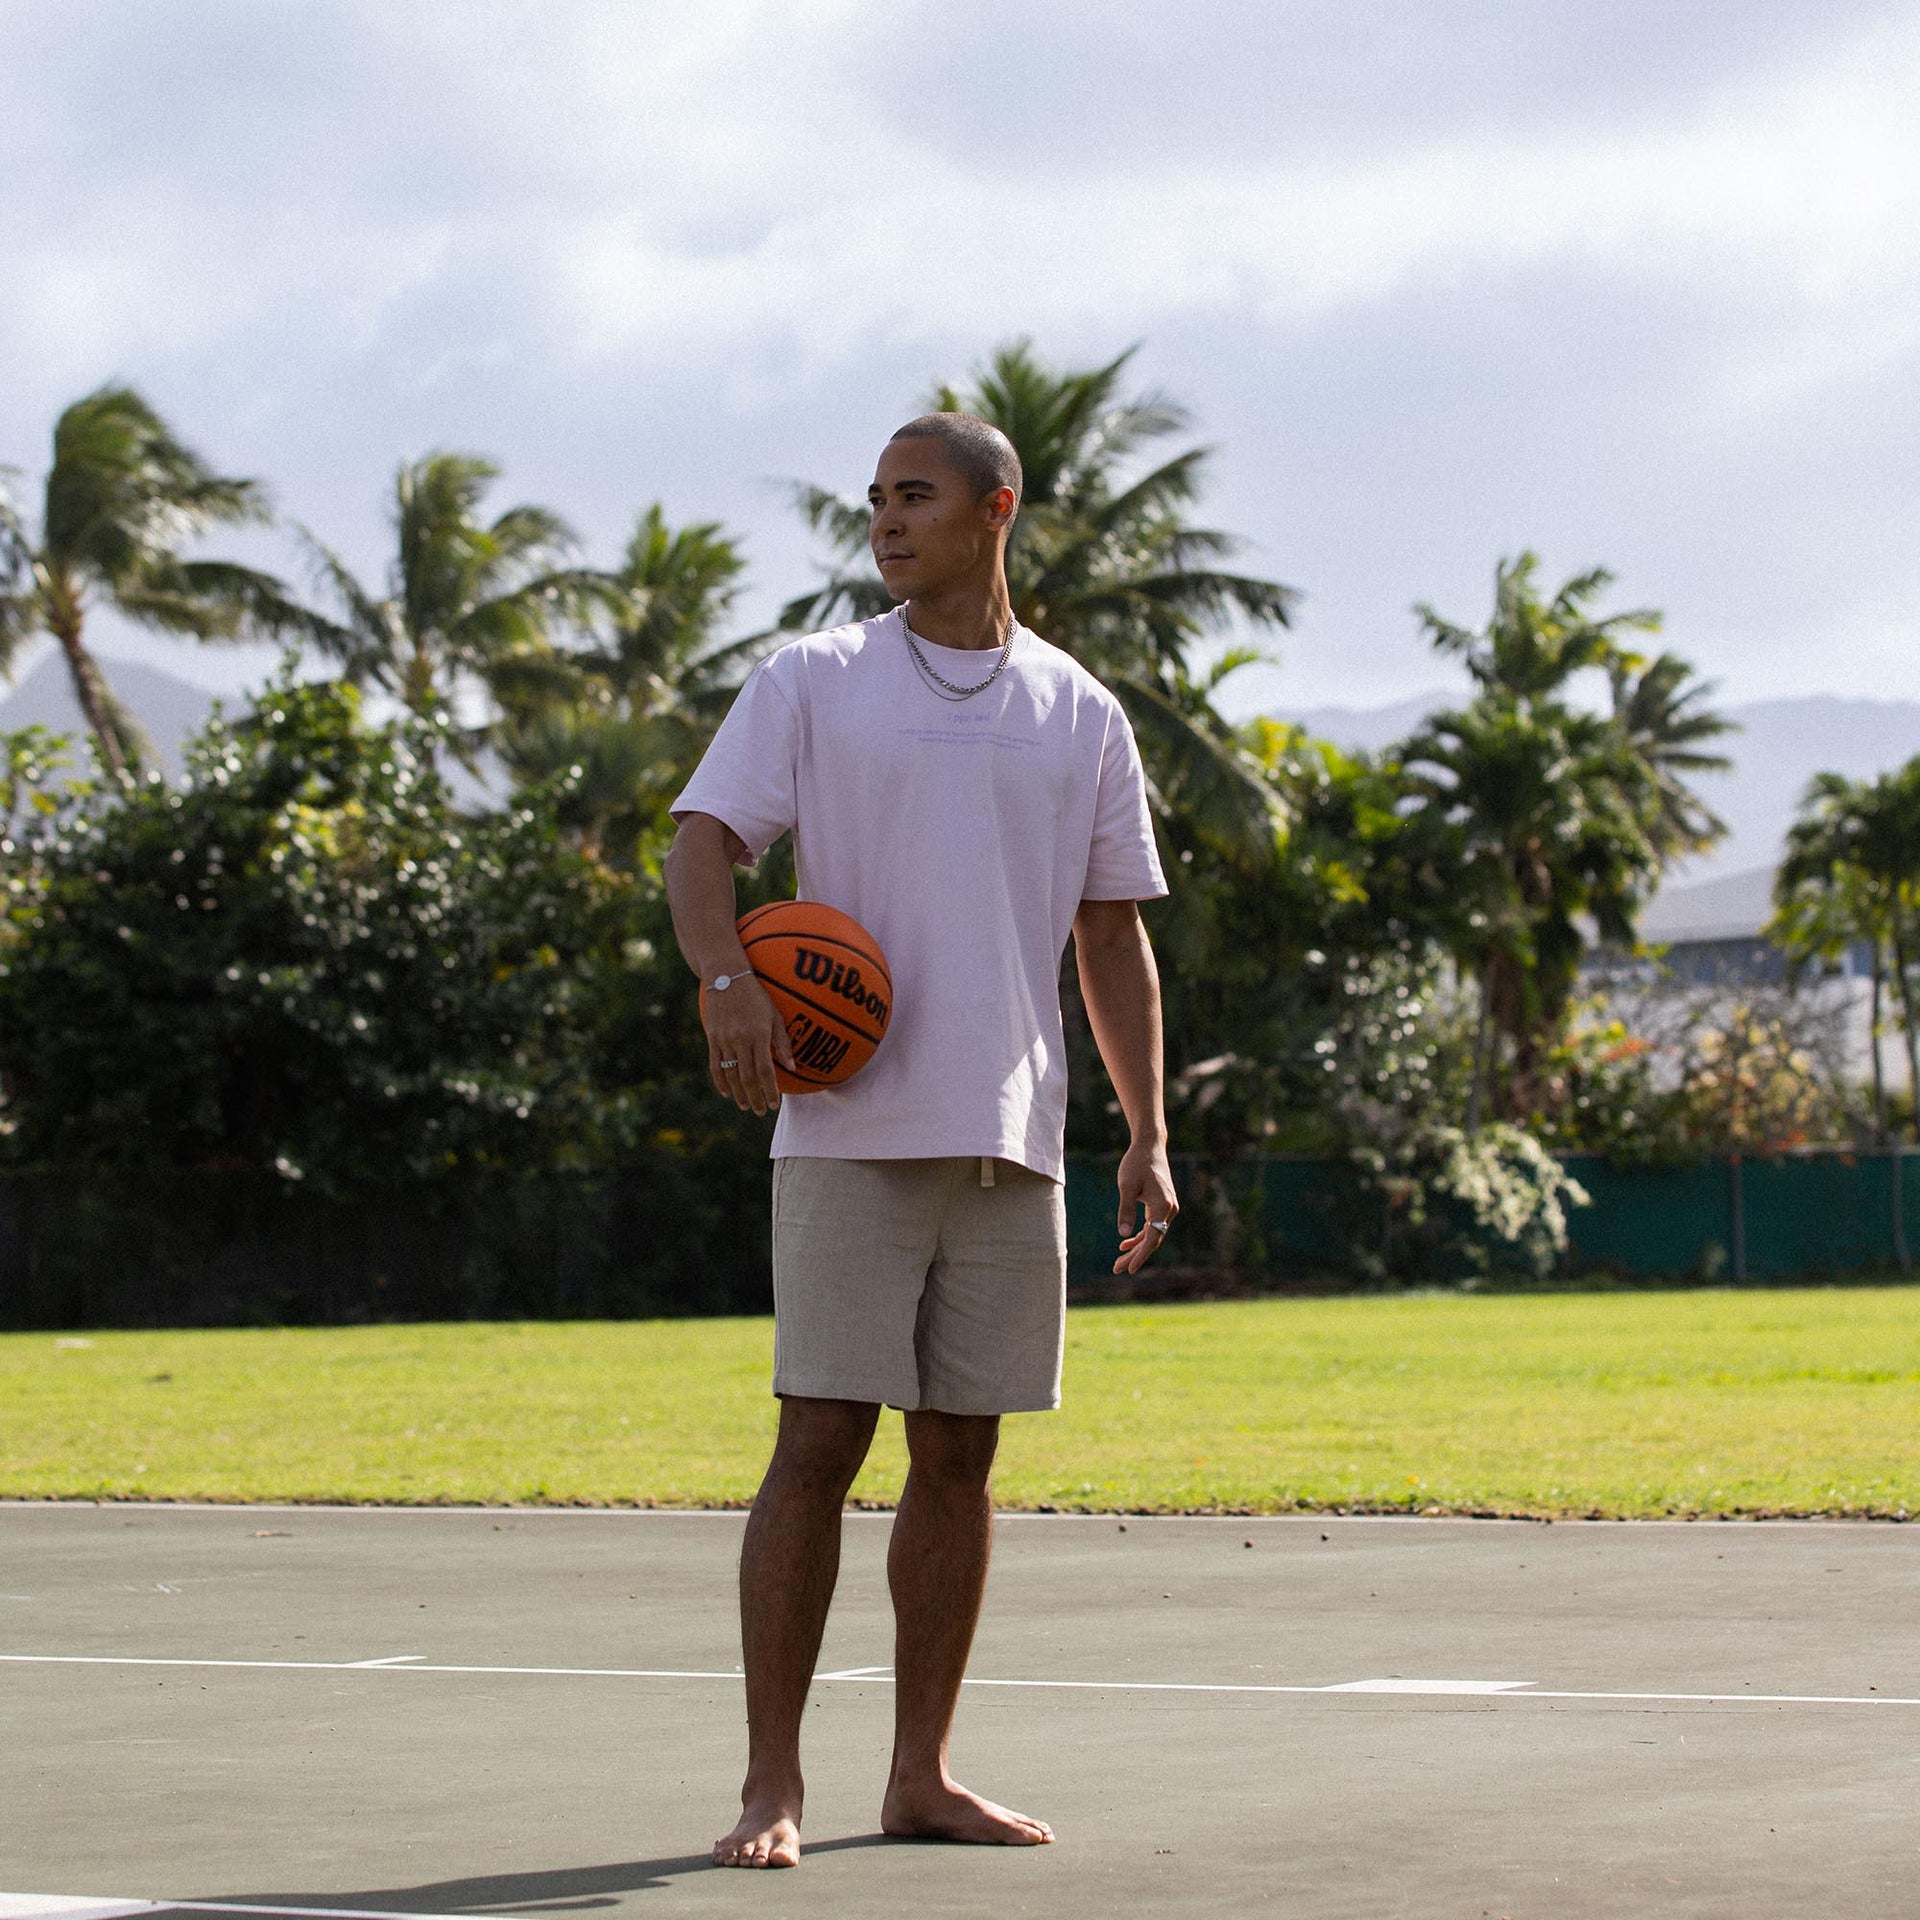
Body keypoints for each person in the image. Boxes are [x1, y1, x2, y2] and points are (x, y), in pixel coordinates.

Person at [665, 410, 1178, 1870]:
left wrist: (1147, 1131)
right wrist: (728, 982)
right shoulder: (815, 678)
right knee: (820, 1437)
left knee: (961, 1456)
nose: (886, 520)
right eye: (875, 499)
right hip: (846, 1130)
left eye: (916, 495)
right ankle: (773, 1786)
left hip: (1013, 1135)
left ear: (994, 508)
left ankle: (920, 1775)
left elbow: (1113, 936)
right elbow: (701, 843)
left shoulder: (1079, 708)